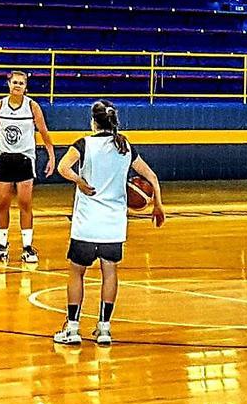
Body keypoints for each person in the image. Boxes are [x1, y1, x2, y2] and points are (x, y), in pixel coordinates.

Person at [53, 101, 165, 346]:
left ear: (93, 121)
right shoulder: (125, 146)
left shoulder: (84, 144)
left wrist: (79, 181)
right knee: (110, 273)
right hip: (113, 223)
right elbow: (152, 177)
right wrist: (158, 204)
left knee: (76, 273)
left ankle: (72, 328)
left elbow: (62, 167)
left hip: (87, 222)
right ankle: (104, 329)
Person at [0, 71, 56, 263]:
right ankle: (1, 245)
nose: (17, 85)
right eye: (15, 82)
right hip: (4, 158)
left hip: (24, 159)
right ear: (8, 84)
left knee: (25, 203)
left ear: (26, 87)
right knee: (2, 203)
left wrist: (51, 156)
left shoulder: (32, 106)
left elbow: (44, 132)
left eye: (21, 83)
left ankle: (27, 248)